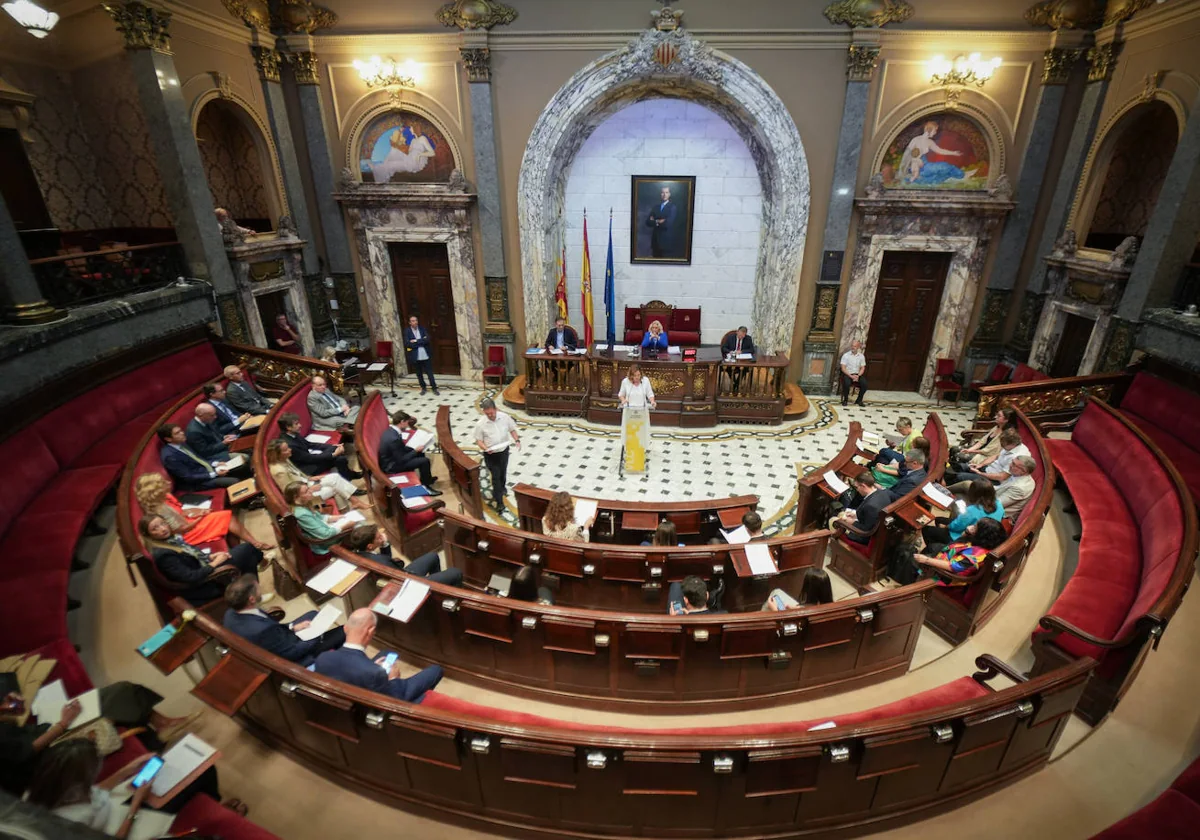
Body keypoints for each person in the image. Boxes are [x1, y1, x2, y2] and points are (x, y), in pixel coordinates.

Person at [1, 683, 197, 797]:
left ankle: (162, 723)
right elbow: (28, 751)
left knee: (121, 691)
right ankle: (161, 728)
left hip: (43, 730)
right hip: (47, 755)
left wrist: (8, 708)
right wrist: (63, 723)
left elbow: (14, 723)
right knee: (115, 703)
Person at [25, 738, 233, 833]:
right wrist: (136, 803)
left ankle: (211, 804)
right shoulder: (69, 824)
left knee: (177, 771)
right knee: (203, 773)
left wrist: (127, 770)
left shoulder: (40, 790)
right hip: (122, 823)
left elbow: (96, 790)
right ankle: (215, 808)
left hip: (114, 803)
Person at [313, 609, 443, 703]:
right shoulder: (374, 673)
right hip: (380, 701)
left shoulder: (322, 658)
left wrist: (371, 666)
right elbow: (394, 699)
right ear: (370, 631)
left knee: (386, 653)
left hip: (352, 691)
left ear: (346, 628)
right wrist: (393, 679)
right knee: (436, 670)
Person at [140, 515, 263, 606]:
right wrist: (215, 563)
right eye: (155, 528)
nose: (162, 529)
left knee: (249, 553)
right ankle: (252, 594)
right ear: (148, 535)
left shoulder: (171, 540)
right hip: (206, 583)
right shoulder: (163, 555)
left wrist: (212, 556)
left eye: (163, 523)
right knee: (247, 550)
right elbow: (191, 577)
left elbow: (193, 555)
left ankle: (251, 593)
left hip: (206, 566)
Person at [223, 575, 344, 665]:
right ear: (252, 599)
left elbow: (274, 629)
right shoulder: (262, 630)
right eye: (258, 589)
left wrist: (292, 627)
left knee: (313, 614)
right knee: (345, 631)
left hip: (281, 638)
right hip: (297, 656)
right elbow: (291, 653)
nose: (261, 591)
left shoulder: (230, 614)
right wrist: (317, 633)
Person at [134, 473, 269, 550]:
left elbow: (182, 510)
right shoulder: (159, 509)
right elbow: (181, 529)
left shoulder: (165, 497)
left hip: (188, 522)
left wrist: (200, 511)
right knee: (227, 517)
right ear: (155, 491)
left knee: (226, 516)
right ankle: (255, 543)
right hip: (186, 533)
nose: (167, 484)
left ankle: (253, 543)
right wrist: (200, 517)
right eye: (162, 484)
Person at [266, 439, 367, 512]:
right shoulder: (278, 471)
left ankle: (351, 506)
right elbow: (289, 492)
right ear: (277, 454)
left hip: (307, 484)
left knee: (335, 477)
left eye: (288, 447)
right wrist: (310, 489)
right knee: (336, 488)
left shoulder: (285, 459)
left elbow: (298, 473)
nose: (290, 450)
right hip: (303, 497)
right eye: (286, 450)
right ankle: (349, 509)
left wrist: (310, 478)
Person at [343, 524, 462, 585]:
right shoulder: (380, 561)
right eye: (378, 537)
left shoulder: (359, 554)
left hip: (401, 574)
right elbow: (390, 565)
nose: (382, 536)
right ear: (370, 546)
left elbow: (388, 563)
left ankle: (437, 593)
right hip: (409, 583)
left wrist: (384, 544)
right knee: (455, 573)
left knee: (433, 556)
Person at [901, 518, 1007, 586]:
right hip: (949, 554)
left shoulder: (976, 556)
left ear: (982, 534)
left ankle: (909, 588)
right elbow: (957, 543)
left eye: (975, 527)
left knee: (911, 561)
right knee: (933, 547)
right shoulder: (984, 542)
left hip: (946, 576)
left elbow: (954, 567)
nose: (972, 527)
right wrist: (966, 533)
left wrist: (927, 560)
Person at [920, 479, 1005, 550]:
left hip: (965, 538)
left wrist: (946, 527)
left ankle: (935, 550)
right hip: (986, 536)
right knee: (939, 519)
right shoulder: (999, 504)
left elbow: (956, 526)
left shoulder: (972, 510)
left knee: (927, 529)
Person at [278, 412, 361, 480]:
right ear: (288, 427)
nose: (300, 425)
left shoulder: (292, 433)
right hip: (307, 468)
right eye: (296, 424)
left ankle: (349, 475)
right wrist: (333, 454)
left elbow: (309, 444)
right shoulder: (290, 444)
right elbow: (310, 459)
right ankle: (349, 479)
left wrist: (332, 446)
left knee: (336, 449)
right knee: (339, 459)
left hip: (309, 459)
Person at [157, 424, 239, 491]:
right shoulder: (170, 456)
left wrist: (216, 463)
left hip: (207, 470)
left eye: (181, 431)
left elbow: (199, 459)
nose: (182, 433)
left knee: (240, 465)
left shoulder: (182, 443)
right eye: (177, 433)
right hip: (197, 483)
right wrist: (215, 474)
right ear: (168, 439)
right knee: (235, 481)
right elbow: (188, 477)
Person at [285, 482, 358, 555]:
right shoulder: (302, 514)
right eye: (306, 491)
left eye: (308, 489)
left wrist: (340, 517)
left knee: (356, 520)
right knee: (359, 527)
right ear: (296, 497)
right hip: (326, 543)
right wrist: (345, 526)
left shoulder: (304, 504)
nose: (311, 491)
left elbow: (321, 517)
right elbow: (325, 535)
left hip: (327, 528)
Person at [474, 398, 519, 511]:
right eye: (487, 413)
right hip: (491, 455)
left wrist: (517, 440)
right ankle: (499, 502)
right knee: (496, 477)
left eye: (492, 413)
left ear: (495, 409)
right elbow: (479, 440)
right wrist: (485, 448)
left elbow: (512, 429)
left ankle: (502, 488)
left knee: (503, 472)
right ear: (484, 412)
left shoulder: (504, 417)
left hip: (503, 451)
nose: (490, 415)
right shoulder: (481, 424)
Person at [947, 428, 1030, 487]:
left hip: (995, 480)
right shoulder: (1011, 446)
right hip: (988, 469)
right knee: (960, 466)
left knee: (961, 476)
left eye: (1003, 444)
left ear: (1011, 444)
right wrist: (980, 465)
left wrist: (980, 473)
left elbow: (1002, 477)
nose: (1001, 445)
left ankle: (946, 491)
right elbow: (996, 456)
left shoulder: (1016, 458)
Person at [379, 409, 439, 489]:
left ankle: (427, 479)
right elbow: (401, 459)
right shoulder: (394, 439)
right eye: (407, 422)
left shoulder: (391, 430)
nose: (408, 425)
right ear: (402, 421)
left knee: (420, 452)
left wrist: (414, 449)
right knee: (424, 461)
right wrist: (415, 450)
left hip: (395, 457)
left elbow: (400, 449)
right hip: (392, 466)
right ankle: (426, 486)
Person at [835, 471, 892, 545]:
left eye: (857, 487)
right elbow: (871, 517)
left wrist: (851, 522)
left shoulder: (871, 506)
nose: (857, 490)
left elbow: (867, 530)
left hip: (866, 537)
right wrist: (856, 515)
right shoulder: (882, 492)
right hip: (878, 527)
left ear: (863, 486)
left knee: (837, 522)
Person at [951, 406, 1017, 469]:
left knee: (958, 456)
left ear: (1006, 420)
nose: (995, 417)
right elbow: (982, 441)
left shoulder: (1006, 434)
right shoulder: (997, 426)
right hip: (980, 450)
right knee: (954, 449)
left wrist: (972, 451)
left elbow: (989, 452)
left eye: (999, 416)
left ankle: (953, 474)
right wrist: (970, 449)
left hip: (985, 456)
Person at [764, 567, 834, 611]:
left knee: (774, 596)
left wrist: (775, 610)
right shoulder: (832, 608)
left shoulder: (806, 613)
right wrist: (797, 608)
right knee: (776, 592)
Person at [403, 315, 438, 395]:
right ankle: (423, 388)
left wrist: (415, 341)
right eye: (412, 321)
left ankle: (434, 388)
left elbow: (427, 339)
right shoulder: (407, 331)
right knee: (419, 374)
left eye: (416, 320)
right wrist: (421, 342)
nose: (415, 322)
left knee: (429, 373)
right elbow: (408, 344)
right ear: (409, 323)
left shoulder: (422, 329)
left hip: (425, 355)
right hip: (415, 356)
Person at [646, 185, 678, 258]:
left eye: (666, 192)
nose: (664, 195)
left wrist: (654, 221)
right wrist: (658, 221)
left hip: (666, 243)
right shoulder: (656, 207)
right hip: (655, 242)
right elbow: (648, 222)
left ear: (669, 194)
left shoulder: (672, 207)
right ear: (660, 194)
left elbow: (667, 224)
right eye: (662, 193)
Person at [839, 340, 867, 406]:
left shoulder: (861, 356)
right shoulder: (846, 355)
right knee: (846, 383)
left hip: (857, 374)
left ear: (858, 347)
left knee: (865, 384)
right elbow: (843, 368)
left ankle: (859, 400)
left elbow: (863, 367)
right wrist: (850, 376)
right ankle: (845, 400)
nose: (853, 347)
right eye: (852, 346)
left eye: (855, 346)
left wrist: (858, 376)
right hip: (848, 374)